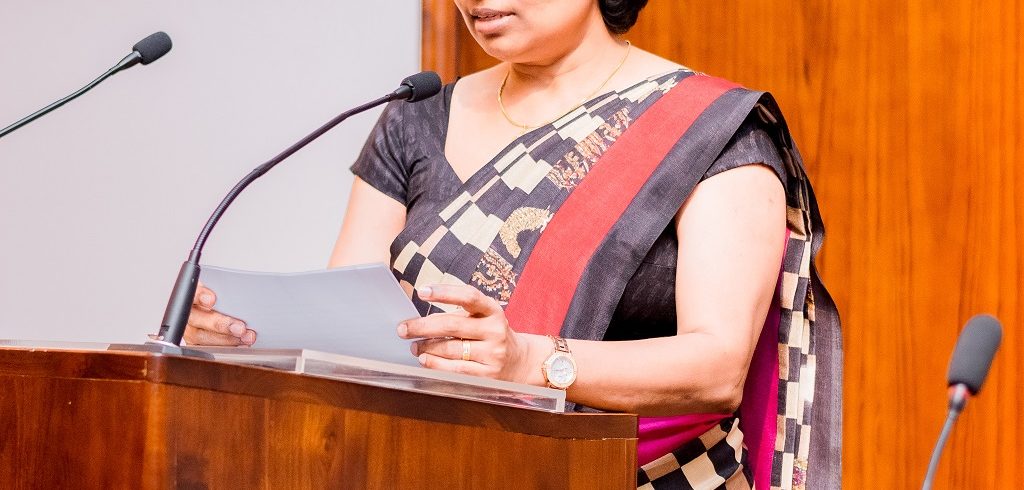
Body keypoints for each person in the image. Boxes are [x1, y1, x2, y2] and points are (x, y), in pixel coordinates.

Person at [184, 1, 842, 488]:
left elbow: (717, 368)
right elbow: (348, 333)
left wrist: (528, 360)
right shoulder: (414, 118)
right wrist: (248, 340)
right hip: (424, 469)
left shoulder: (708, 130)